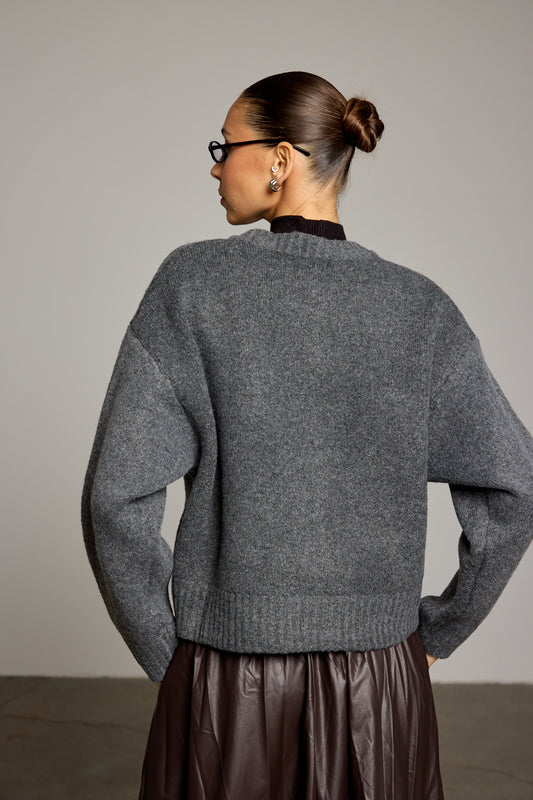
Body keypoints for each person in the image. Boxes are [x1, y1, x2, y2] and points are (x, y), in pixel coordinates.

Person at [80, 71, 533, 799]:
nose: (215, 167)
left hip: (224, 680)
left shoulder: (192, 286)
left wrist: (167, 652)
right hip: (380, 685)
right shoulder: (419, 309)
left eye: (225, 147)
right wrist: (440, 631)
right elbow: (516, 486)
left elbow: (114, 497)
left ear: (281, 159)